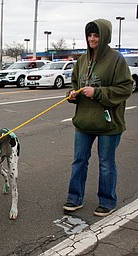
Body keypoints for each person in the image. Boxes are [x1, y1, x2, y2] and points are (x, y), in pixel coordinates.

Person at [63, 19, 132, 217]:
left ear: (104, 37)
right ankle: (74, 198)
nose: (92, 39)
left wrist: (98, 92)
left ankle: (107, 201)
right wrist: (72, 94)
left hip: (109, 123)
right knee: (79, 160)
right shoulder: (82, 60)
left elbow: (126, 87)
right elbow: (74, 83)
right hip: (84, 121)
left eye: (96, 35)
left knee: (106, 163)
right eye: (90, 35)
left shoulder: (116, 59)